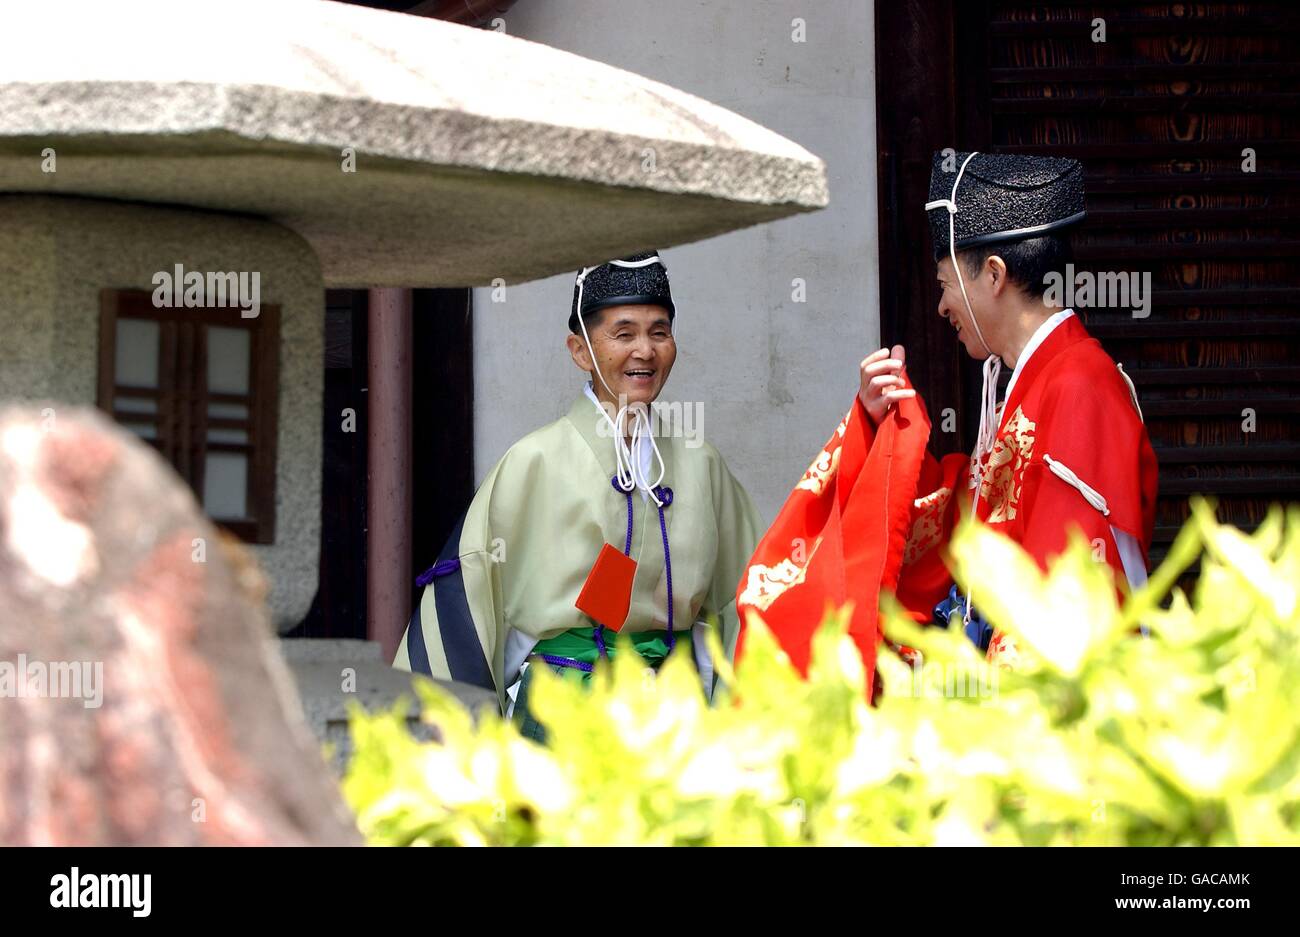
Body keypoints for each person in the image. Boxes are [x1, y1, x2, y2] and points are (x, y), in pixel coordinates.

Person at [737, 152, 1158, 679]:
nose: (942, 307)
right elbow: (966, 520)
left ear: (995, 275)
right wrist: (879, 429)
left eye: (945, 284)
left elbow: (1066, 587)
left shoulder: (1078, 386)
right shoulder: (1035, 380)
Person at [393, 251, 763, 736]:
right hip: (564, 710)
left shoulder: (701, 462)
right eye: (623, 333)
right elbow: (467, 597)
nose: (644, 351)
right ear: (581, 350)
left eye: (659, 331)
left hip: (676, 718)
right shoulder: (534, 461)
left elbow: (753, 590)